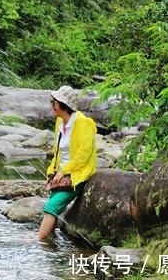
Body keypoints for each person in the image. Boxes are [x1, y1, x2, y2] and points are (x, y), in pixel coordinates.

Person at [37, 85, 97, 240]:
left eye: (53, 102)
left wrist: (63, 171)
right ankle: (49, 241)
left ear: (63, 105)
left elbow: (83, 155)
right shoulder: (60, 122)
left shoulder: (84, 123)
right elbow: (57, 153)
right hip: (62, 175)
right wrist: (52, 173)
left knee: (50, 207)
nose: (51, 105)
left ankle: (38, 240)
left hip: (78, 176)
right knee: (53, 207)